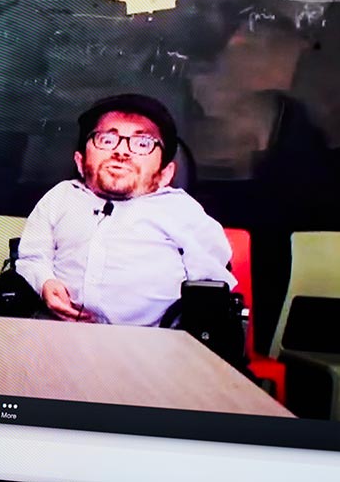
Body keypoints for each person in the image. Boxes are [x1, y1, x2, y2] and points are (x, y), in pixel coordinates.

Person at [16, 93, 234, 326]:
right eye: (107, 139)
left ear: (165, 174)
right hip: (59, 333)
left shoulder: (182, 211)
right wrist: (44, 282)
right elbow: (32, 257)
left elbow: (211, 286)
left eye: (143, 143)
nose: (122, 152)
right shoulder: (61, 197)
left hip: (152, 341)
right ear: (80, 162)